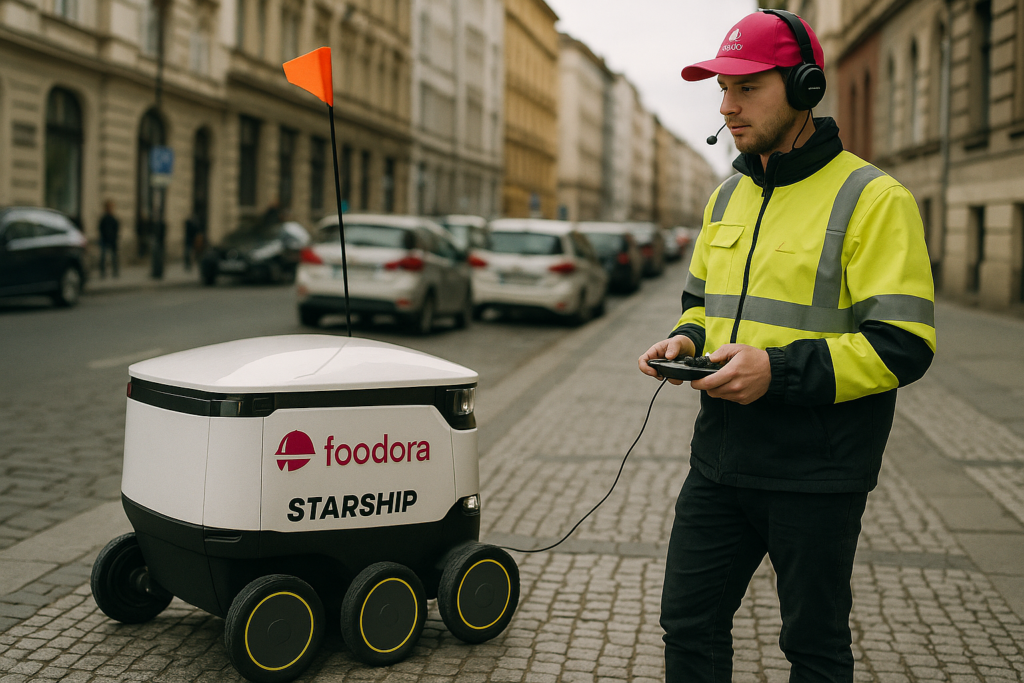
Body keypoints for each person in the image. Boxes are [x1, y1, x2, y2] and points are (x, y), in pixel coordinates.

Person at [637, 9, 936, 683]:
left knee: (814, 647)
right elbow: (701, 304)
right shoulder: (726, 198)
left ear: (805, 87)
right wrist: (685, 340)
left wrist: (776, 371)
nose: (726, 105)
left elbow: (903, 345)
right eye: (721, 88)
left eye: (747, 87)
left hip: (818, 473)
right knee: (687, 626)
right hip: (718, 460)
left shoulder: (874, 198)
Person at [98, 199, 119, 278]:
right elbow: (101, 228)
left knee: (114, 257)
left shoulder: (113, 218)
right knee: (103, 257)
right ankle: (103, 272)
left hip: (112, 240)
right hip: (105, 239)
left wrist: (114, 237)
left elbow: (116, 228)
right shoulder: (104, 218)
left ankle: (115, 272)